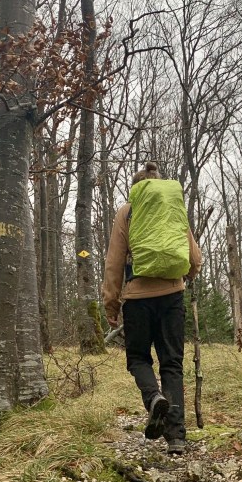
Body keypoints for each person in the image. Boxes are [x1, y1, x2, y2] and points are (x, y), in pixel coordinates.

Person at [103, 161, 202, 454]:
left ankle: (153, 398)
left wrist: (111, 304)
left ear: (136, 187)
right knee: (172, 363)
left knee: (137, 358)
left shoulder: (128, 211)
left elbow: (114, 262)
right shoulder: (173, 208)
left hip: (137, 299)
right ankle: (176, 437)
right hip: (172, 296)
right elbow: (194, 257)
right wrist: (188, 276)